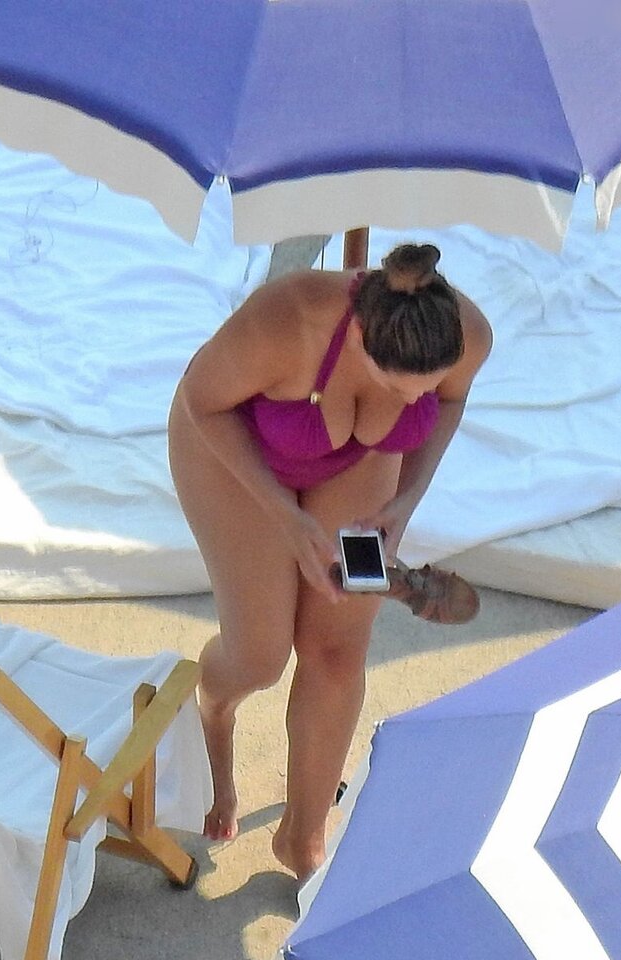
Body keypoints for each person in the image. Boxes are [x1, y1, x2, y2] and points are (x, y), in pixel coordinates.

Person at [168, 243, 492, 881]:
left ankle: (303, 838)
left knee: (339, 648)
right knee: (260, 655)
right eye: (396, 389)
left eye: (422, 393)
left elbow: (450, 404)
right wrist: (288, 520)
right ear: (364, 342)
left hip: (358, 462)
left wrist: (407, 499)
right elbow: (202, 402)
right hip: (235, 454)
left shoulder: (468, 334)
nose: (414, 402)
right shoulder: (287, 319)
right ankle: (215, 711)